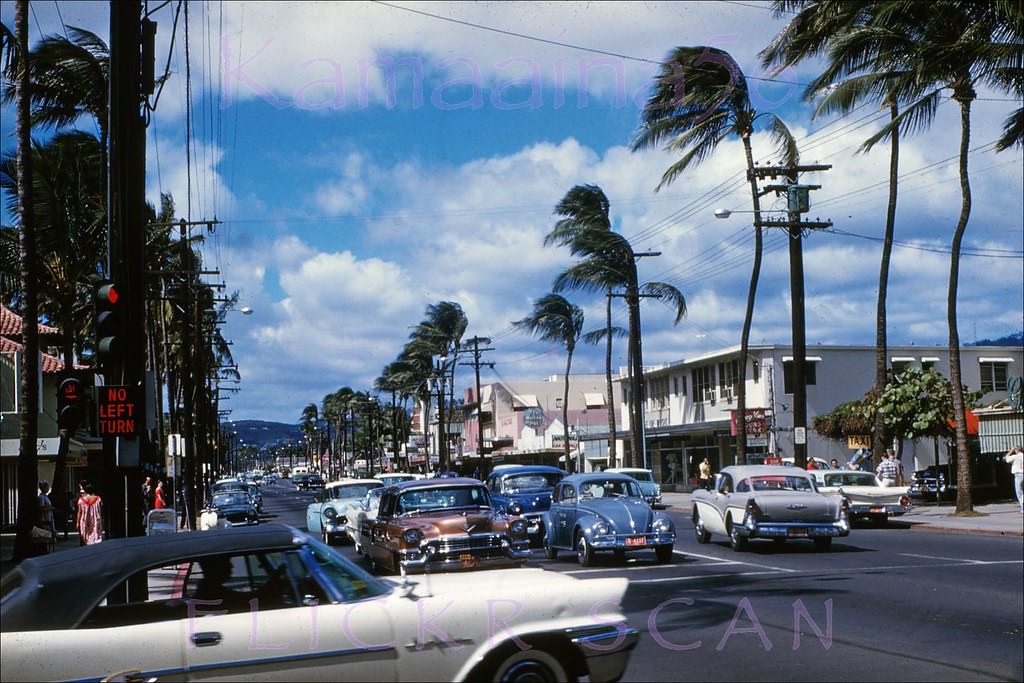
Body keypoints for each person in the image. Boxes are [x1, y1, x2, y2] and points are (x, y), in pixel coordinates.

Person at [76, 480, 103, 545]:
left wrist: (77, 523)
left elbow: (79, 513)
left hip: (85, 522)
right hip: (95, 522)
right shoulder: (98, 499)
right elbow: (100, 511)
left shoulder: (81, 500)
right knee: (95, 539)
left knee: (85, 539)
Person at [1004, 445, 1023, 514]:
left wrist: (1010, 452)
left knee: (1019, 492)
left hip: (1018, 474)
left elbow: (1007, 459)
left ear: (1016, 450)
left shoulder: (1016, 456)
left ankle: (1023, 508)